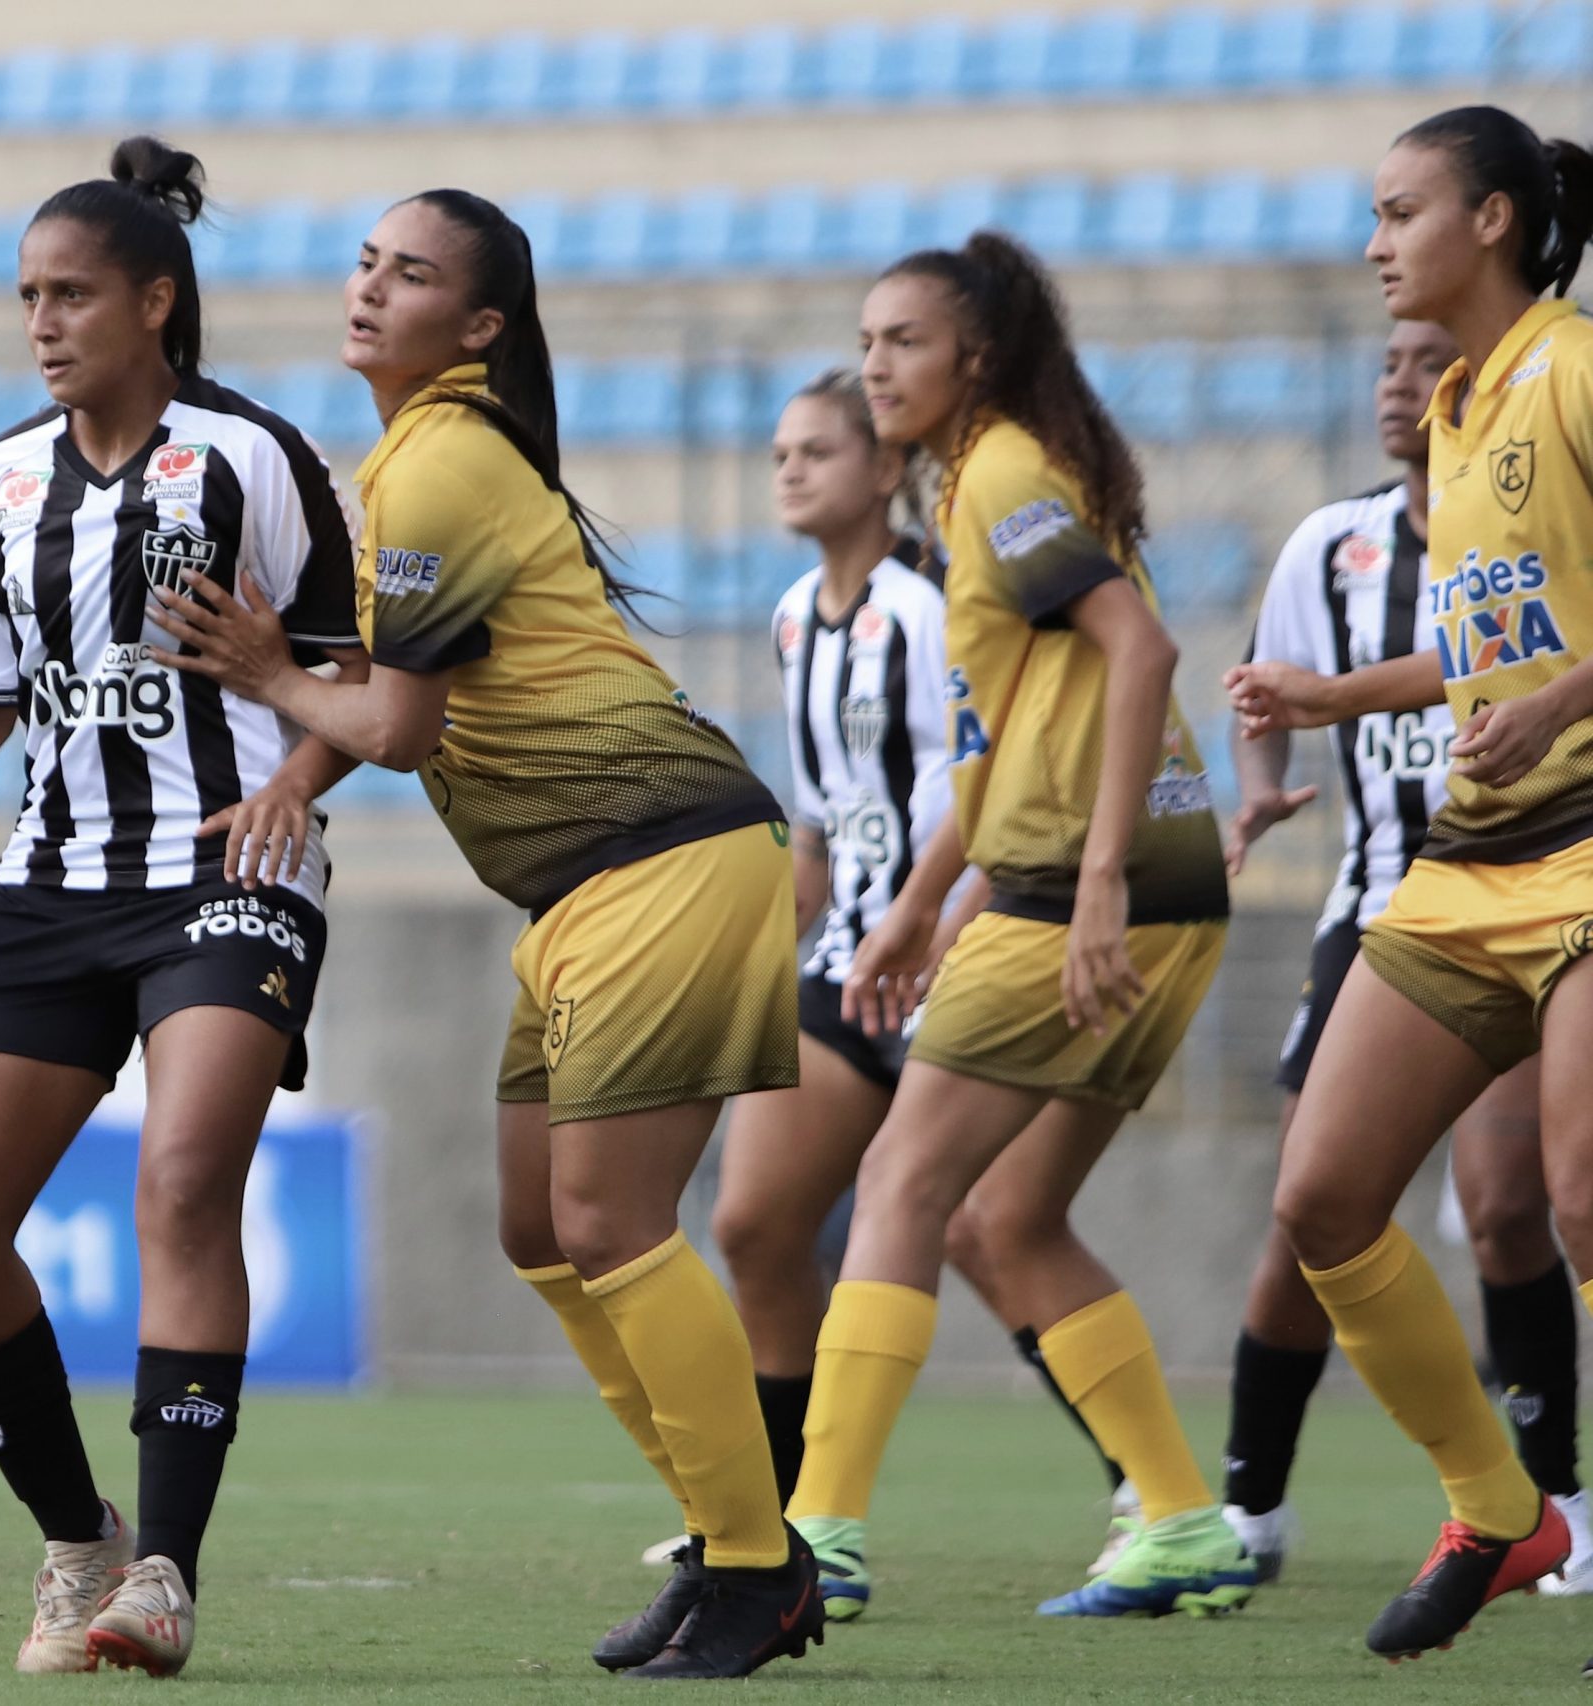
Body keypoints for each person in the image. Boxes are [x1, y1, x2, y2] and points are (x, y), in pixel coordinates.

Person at [153, 187, 821, 1682]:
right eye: (366, 263)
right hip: (589, 889)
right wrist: (293, 756)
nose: (371, 288)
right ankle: (736, 1543)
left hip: (663, 859)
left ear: (482, 326)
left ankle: (760, 1565)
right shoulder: (413, 464)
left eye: (413, 274)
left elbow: (395, 722)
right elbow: (394, 698)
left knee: (610, 1224)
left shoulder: (442, 462)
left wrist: (271, 675)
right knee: (543, 1228)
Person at [0, 137, 365, 1679]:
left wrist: (298, 775)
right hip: (49, 889)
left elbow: (357, 678)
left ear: (156, 302)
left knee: (185, 1179)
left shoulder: (251, 457)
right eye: (28, 297)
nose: (43, 323)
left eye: (72, 295)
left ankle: (168, 1573)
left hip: (226, 877)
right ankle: (78, 1536)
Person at [778, 231, 1256, 1622]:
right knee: (1008, 1212)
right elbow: (1005, 730)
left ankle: (823, 1533)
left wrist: (1093, 881)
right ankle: (1180, 1516)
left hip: (1087, 892)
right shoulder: (991, 475)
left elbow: (1142, 651)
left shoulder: (994, 476)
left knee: (904, 1188)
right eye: (866, 341)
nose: (876, 364)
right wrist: (923, 907)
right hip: (1146, 892)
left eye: (904, 342)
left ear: (974, 359)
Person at [1223, 104, 1593, 1662]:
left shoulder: (1577, 367)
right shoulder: (1456, 403)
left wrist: (1568, 702)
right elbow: (1488, 642)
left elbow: (1547, 664)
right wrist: (1339, 696)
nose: (1374, 245)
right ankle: (1503, 1508)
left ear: (1494, 220)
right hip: (1466, 859)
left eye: (1400, 211)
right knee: (1319, 1196)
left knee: (1578, 1198)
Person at [682, 370, 1132, 1575]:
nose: (788, 467)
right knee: (754, 1220)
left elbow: (1000, 779)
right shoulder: (789, 617)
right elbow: (826, 819)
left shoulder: (935, 604)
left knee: (990, 1230)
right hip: (851, 957)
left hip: (962, 945)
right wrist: (776, 941)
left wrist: (946, 916)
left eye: (818, 448)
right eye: (778, 449)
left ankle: (1146, 1482)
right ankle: (773, 1522)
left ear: (887, 470)